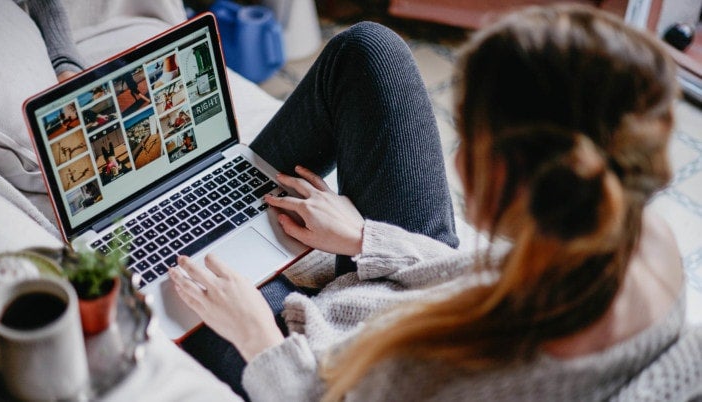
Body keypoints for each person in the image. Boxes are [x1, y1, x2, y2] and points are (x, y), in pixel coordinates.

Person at [169, 4, 694, 401]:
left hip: (310, 356)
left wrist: (257, 336)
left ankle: (174, 224)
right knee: (369, 50)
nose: (458, 159)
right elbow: (473, 277)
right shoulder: (635, 231)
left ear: (518, 175)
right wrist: (367, 240)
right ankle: (212, 197)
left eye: (468, 135)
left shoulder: (490, 376)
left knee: (172, 286)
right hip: (396, 287)